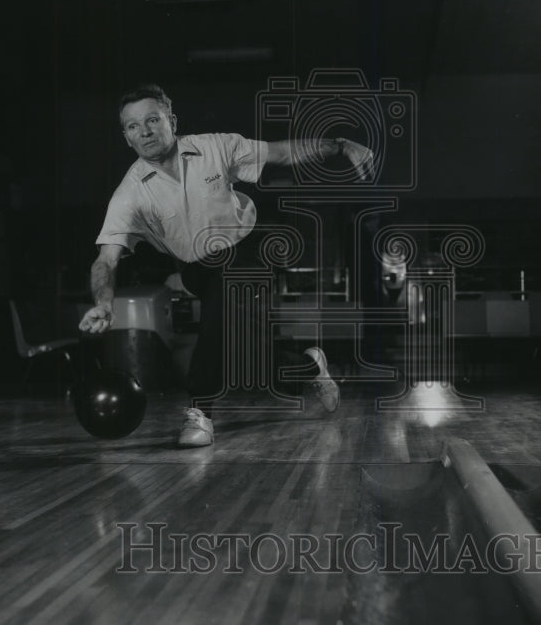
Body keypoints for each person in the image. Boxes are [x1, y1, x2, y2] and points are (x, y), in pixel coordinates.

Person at [79, 84, 373, 448]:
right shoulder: (130, 193)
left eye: (152, 120)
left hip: (246, 250)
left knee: (224, 290)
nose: (145, 132)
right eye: (133, 126)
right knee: (252, 358)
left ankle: (201, 411)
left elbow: (282, 152)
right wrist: (104, 303)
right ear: (126, 137)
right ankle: (311, 366)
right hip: (197, 268)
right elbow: (106, 259)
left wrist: (341, 144)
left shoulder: (217, 147)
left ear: (172, 121)